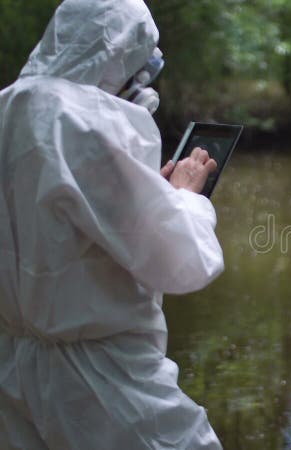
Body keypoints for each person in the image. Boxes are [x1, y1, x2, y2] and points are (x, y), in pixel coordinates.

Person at [0, 0, 225, 448]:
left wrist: (149, 193)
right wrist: (184, 197)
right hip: (103, 379)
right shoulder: (88, 117)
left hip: (12, 370)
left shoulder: (9, 105)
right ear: (123, 51)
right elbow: (180, 260)